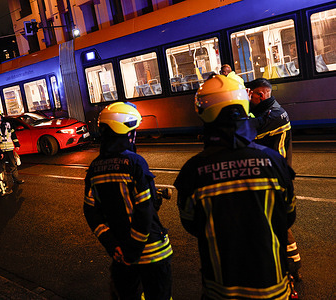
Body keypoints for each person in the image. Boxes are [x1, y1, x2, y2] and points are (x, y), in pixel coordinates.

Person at [175, 75, 296, 299]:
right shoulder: (274, 161)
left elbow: (190, 223)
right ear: (243, 103)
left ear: (202, 111)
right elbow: (288, 214)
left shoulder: (193, 171)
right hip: (274, 286)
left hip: (220, 289)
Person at [83, 102, 173, 300]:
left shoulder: (94, 168)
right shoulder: (135, 163)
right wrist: (133, 251)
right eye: (134, 131)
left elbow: (91, 211)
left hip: (119, 254)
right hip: (152, 252)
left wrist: (111, 243)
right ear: (127, 133)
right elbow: (145, 210)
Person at [248, 77, 301, 281]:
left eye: (251, 96)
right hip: (271, 175)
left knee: (277, 222)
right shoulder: (266, 110)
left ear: (261, 95)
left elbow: (246, 130)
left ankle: (292, 265)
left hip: (276, 178)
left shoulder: (275, 115)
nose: (249, 100)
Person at [0, 109, 24, 184]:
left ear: (1, 116)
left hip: (9, 148)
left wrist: (17, 145)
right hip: (0, 150)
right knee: (2, 167)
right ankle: (4, 182)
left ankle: (16, 179)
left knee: (13, 165)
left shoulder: (8, 124)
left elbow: (13, 135)